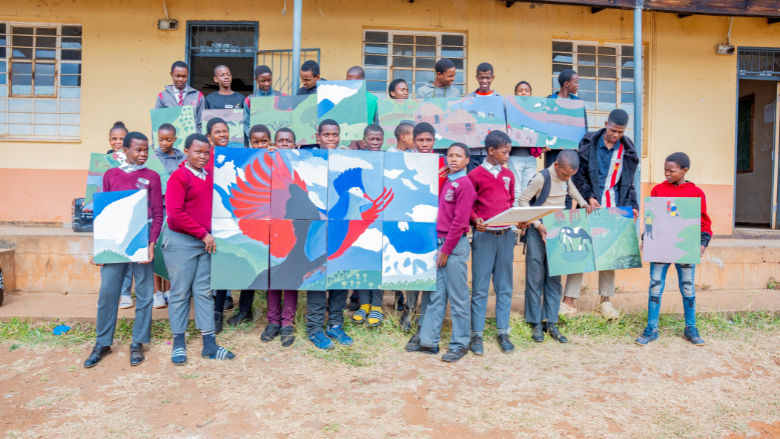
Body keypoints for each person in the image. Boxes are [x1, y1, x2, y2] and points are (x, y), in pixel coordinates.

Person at [83, 132, 163, 368]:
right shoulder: (110, 175)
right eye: (138, 150)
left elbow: (158, 213)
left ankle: (138, 342)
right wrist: (99, 247)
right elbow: (103, 212)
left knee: (145, 293)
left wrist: (151, 244)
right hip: (115, 241)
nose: (143, 154)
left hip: (142, 240)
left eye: (146, 150)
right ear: (125, 150)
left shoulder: (152, 177)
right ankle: (102, 343)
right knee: (108, 292)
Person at [164, 133, 235, 363]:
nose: (203, 156)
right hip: (181, 243)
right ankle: (178, 343)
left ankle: (209, 344)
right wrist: (203, 234)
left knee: (204, 292)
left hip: (204, 242)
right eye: (198, 152)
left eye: (206, 152)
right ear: (186, 152)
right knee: (180, 293)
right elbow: (175, 216)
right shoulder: (179, 177)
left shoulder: (208, 175)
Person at [562, 109, 639, 319]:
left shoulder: (628, 150)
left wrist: (633, 205)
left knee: (609, 256)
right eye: (613, 130)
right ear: (606, 124)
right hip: (590, 206)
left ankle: (606, 302)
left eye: (620, 132)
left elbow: (628, 182)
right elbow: (577, 176)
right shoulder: (588, 143)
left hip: (614, 206)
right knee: (581, 251)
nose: (616, 135)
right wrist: (588, 197)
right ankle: (568, 301)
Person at [636, 152, 712, 347]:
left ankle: (691, 328)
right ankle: (651, 329)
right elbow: (652, 217)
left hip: (684, 246)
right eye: (665, 170)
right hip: (661, 245)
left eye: (672, 170)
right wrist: (647, 237)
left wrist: (702, 242)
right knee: (655, 284)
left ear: (684, 170)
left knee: (687, 286)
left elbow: (703, 222)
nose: (667, 173)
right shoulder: (658, 190)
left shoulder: (696, 193)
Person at [518, 149, 591, 344]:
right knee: (535, 277)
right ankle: (534, 323)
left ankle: (551, 321)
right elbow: (522, 201)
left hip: (558, 228)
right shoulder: (541, 178)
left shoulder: (566, 177)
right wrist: (537, 224)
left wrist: (584, 203)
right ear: (556, 165)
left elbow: (572, 189)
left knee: (554, 278)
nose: (567, 178)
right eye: (565, 174)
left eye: (570, 176)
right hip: (538, 229)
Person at [411, 142, 476, 363]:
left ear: (467, 160)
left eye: (459, 155)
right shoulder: (448, 183)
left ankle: (460, 344)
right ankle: (429, 341)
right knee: (436, 295)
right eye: (450, 155)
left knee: (458, 297)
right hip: (440, 244)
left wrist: (446, 251)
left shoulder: (465, 185)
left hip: (453, 247)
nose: (454, 159)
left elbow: (459, 222)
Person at [468, 131, 517, 354]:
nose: (508, 155)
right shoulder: (475, 175)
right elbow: (468, 204)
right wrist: (474, 219)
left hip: (506, 237)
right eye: (504, 152)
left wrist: (518, 221)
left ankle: (503, 332)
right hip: (484, 237)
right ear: (490, 151)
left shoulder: (509, 175)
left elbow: (509, 202)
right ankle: (476, 335)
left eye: (509, 152)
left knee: (504, 287)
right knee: (480, 287)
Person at [305, 119, 353, 349]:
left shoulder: (347, 159)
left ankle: (335, 324)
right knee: (316, 276)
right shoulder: (305, 158)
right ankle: (314, 328)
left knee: (339, 276)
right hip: (314, 228)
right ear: (318, 136)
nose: (331, 139)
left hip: (341, 227)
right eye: (327, 135)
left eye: (335, 135)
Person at [400, 122, 437, 335]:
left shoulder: (441, 163)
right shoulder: (406, 162)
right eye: (420, 140)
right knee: (414, 268)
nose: (424, 144)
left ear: (434, 141)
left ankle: (425, 315)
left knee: (430, 270)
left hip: (433, 224)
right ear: (414, 142)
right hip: (412, 222)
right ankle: (409, 309)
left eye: (428, 140)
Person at [206, 117, 241, 331]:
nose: (223, 135)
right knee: (208, 265)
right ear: (209, 137)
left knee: (224, 263)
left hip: (230, 217)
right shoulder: (203, 156)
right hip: (208, 217)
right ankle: (207, 307)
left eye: (225, 131)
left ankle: (218, 311)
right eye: (218, 132)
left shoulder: (236, 154)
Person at [351, 124, 386, 327]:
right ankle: (364, 304)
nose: (374, 143)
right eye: (371, 139)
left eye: (378, 139)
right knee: (362, 259)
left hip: (382, 217)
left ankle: (377, 306)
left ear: (383, 140)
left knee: (377, 261)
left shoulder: (388, 160)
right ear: (364, 140)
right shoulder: (356, 160)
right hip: (360, 217)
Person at [102, 121, 136, 310]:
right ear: (109, 140)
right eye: (114, 138)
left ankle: (125, 292)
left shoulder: (133, 160)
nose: (117, 142)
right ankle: (110, 291)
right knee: (110, 253)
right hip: (109, 213)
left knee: (127, 256)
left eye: (122, 138)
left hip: (128, 213)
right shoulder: (103, 160)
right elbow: (97, 185)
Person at [152, 123, 186, 309]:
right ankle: (157, 292)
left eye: (168, 139)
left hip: (175, 209)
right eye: (161, 139)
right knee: (156, 249)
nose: (164, 143)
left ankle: (169, 290)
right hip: (157, 208)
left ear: (175, 139)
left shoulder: (182, 158)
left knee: (172, 249)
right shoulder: (152, 157)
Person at [507, 81, 543, 198]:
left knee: (528, 190)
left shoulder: (535, 112)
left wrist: (544, 143)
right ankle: (517, 216)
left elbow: (541, 131)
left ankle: (525, 215)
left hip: (531, 158)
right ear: (515, 94)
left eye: (527, 90)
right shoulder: (510, 110)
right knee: (516, 190)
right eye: (520, 90)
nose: (524, 93)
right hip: (515, 156)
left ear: (530, 94)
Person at [545, 69, 583, 168]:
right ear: (566, 83)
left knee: (569, 180)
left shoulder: (578, 103)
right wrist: (543, 142)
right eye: (576, 82)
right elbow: (543, 125)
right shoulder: (550, 100)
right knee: (552, 178)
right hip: (553, 152)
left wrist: (581, 145)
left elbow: (583, 126)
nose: (577, 85)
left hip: (571, 152)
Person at [154, 61, 205, 130]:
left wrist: (196, 138)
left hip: (192, 139)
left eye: (184, 76)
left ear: (188, 75)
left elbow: (201, 124)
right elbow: (157, 123)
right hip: (170, 139)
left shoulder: (198, 96)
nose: (181, 79)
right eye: (177, 76)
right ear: (171, 74)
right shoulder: (163, 96)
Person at [243, 65, 284, 140]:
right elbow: (246, 124)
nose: (267, 84)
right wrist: (255, 138)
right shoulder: (249, 100)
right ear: (256, 80)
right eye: (263, 81)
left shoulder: (282, 96)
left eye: (269, 80)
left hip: (278, 143)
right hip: (258, 144)